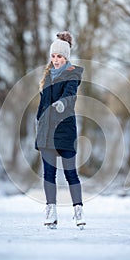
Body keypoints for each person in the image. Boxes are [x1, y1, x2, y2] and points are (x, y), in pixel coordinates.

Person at [35, 31, 86, 229]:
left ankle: (78, 209)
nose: (56, 60)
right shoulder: (46, 77)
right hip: (47, 132)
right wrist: (39, 120)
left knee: (70, 173)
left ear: (66, 57)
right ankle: (51, 210)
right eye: (53, 56)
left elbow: (70, 95)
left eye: (60, 56)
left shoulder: (72, 74)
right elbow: (41, 105)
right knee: (49, 174)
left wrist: (61, 105)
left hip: (65, 131)